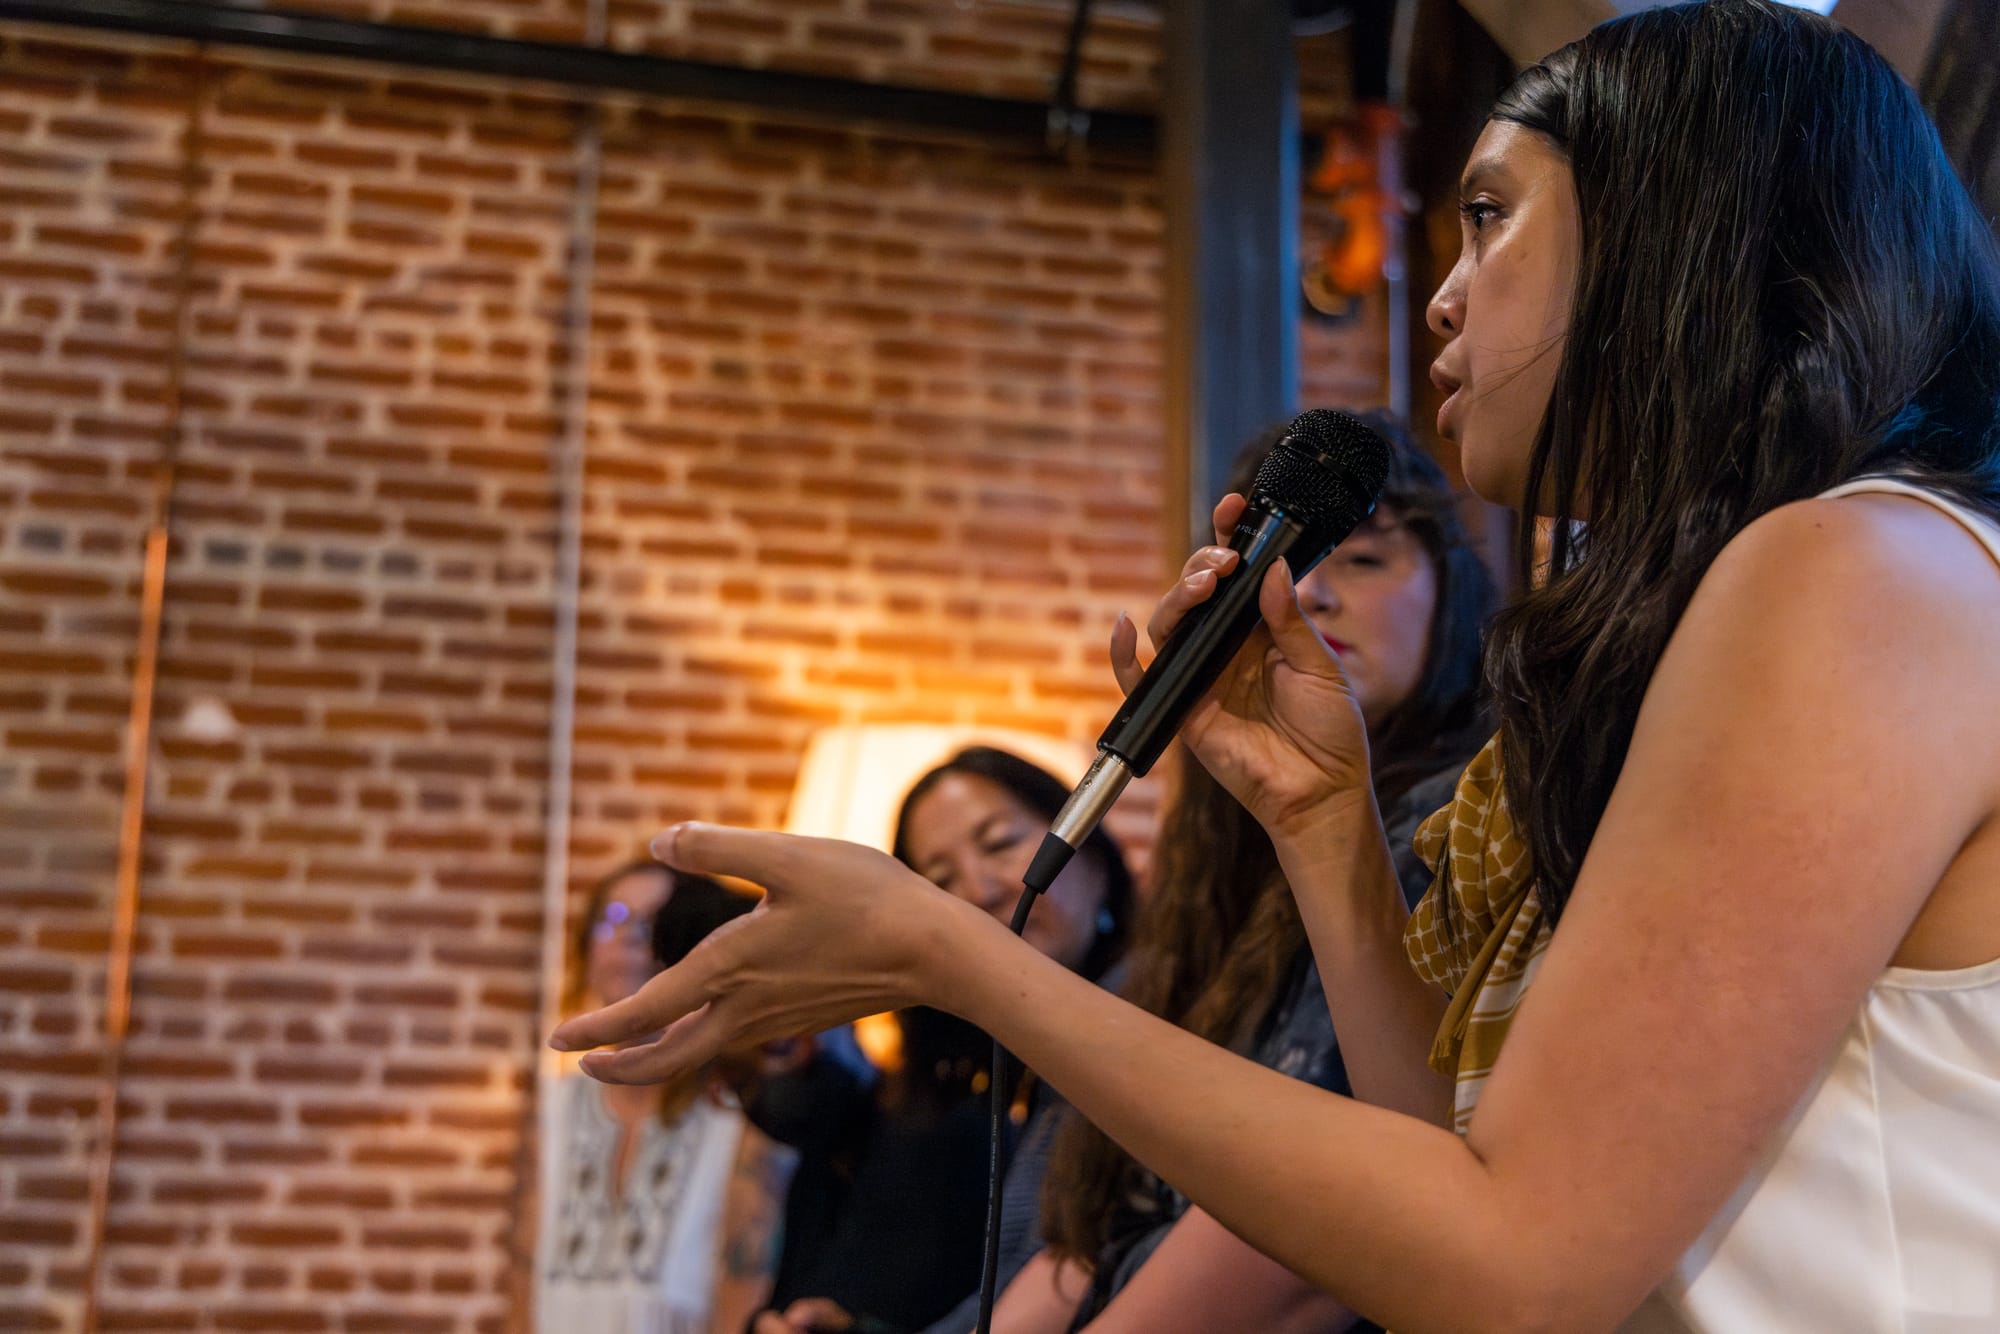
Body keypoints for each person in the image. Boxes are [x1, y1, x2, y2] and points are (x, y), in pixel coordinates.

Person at [556, 3, 2000, 1329]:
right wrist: (1325, 821)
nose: (1440, 297)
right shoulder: (1811, 584)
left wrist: (959, 953)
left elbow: (1520, 1269)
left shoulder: (1857, 569)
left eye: (1491, 216)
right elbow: (1453, 1172)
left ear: (1672, 231)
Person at [989, 419, 1495, 1334]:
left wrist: (958, 960)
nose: (1310, 597)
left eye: (1367, 562)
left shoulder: (1459, 817)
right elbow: (1087, 1235)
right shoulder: (1214, 876)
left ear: (1450, 588)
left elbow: (1333, 1211)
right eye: (1280, 567)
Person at [748, 747, 1135, 1334]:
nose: (979, 891)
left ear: (1094, 853)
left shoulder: (1152, 1019)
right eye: (942, 880)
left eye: (1001, 842)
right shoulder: (984, 1074)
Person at [536, 861, 791, 1334]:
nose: (632, 938)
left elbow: (740, 1302)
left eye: (655, 924)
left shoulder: (742, 1114)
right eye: (613, 917)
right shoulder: (552, 1112)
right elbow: (519, 1280)